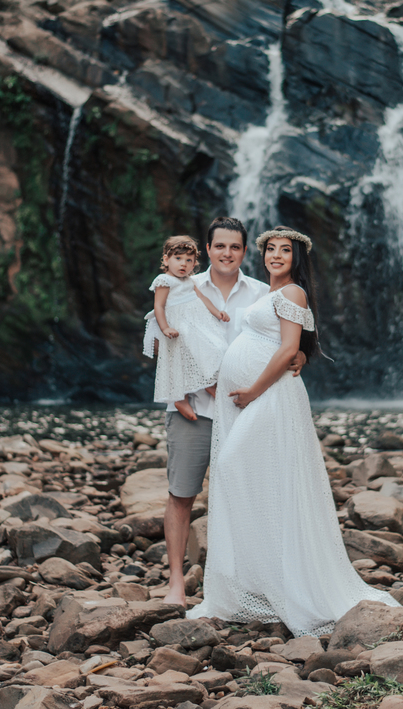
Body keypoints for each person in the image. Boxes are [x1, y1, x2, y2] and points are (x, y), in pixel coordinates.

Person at [188, 226, 400, 635]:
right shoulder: (269, 294)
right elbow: (286, 343)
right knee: (260, 480)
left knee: (236, 468)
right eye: (270, 249)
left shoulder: (293, 292)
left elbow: (288, 348)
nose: (276, 255)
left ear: (296, 258)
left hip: (271, 398)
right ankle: (261, 579)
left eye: (284, 250)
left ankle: (286, 583)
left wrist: (253, 390)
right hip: (258, 398)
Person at [159, 217, 305, 607]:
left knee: (251, 496)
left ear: (244, 252)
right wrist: (185, 386)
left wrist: (301, 354)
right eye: (220, 246)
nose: (227, 253)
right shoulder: (182, 284)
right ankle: (176, 583)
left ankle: (250, 584)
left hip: (248, 412)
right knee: (182, 494)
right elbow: (160, 338)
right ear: (206, 250)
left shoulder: (263, 292)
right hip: (195, 409)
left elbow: (284, 337)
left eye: (235, 247)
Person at [143, 235, 230, 419]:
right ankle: (180, 398)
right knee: (179, 359)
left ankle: (210, 382)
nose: (183, 264)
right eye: (178, 258)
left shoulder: (190, 281)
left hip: (196, 323)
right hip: (177, 324)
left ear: (194, 264)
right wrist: (165, 328)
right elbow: (159, 306)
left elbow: (202, 298)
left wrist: (217, 313)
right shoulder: (164, 280)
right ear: (166, 259)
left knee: (215, 347)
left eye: (189, 260)